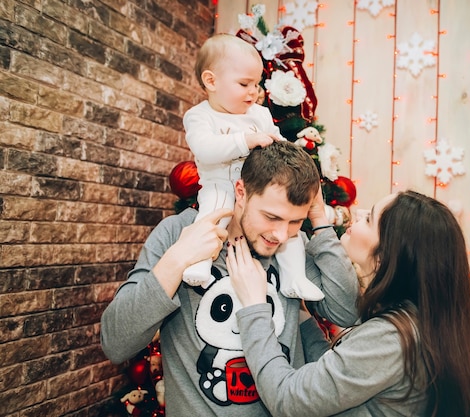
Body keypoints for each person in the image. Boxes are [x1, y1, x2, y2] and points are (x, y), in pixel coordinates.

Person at [100, 141, 360, 416]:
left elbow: (345, 311)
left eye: (295, 221)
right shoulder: (178, 232)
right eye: (271, 217)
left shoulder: (292, 248)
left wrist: (320, 222)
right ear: (241, 193)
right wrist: (176, 260)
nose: (281, 234)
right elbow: (116, 343)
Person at [228, 190, 470, 417]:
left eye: (369, 218)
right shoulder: (415, 323)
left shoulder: (392, 338)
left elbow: (288, 399)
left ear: (385, 255)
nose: (358, 213)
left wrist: (253, 307)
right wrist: (304, 319)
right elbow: (340, 378)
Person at [182, 33, 323, 301]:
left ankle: (295, 279)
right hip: (220, 184)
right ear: (211, 81)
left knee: (288, 232)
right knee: (212, 216)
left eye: (256, 84)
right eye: (244, 83)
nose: (253, 92)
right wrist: (245, 140)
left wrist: (295, 144)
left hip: (259, 188)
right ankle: (198, 263)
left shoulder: (259, 114)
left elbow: (276, 141)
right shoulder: (200, 116)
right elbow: (205, 149)